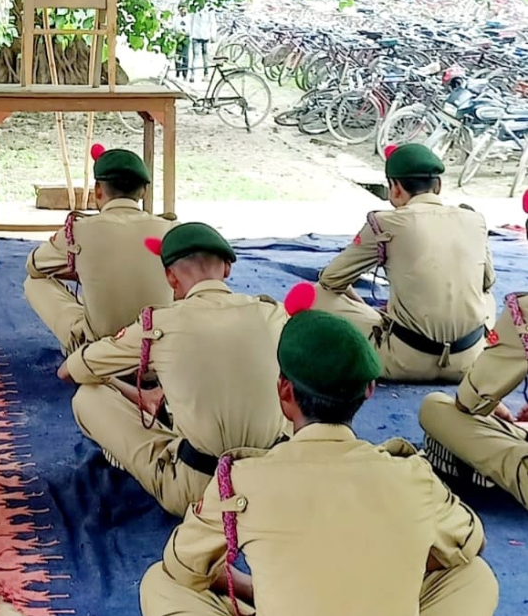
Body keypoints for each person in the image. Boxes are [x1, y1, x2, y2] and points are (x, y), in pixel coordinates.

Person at [139, 304, 499, 616]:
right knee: (474, 576)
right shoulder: (412, 474)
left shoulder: (241, 480)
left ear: (284, 391)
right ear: (369, 391)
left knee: (159, 582)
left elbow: (183, 567)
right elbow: (470, 542)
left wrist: (253, 586)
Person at [59, 222, 287, 517]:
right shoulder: (273, 314)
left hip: (199, 490)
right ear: (228, 269)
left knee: (87, 398)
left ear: (170, 277)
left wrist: (125, 388)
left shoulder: (159, 325)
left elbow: (71, 371)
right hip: (272, 480)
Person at [312, 143, 494, 381]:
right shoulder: (474, 220)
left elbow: (331, 280)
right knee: (487, 297)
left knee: (315, 294)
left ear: (395, 189)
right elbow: (488, 282)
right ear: (438, 185)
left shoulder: (385, 223)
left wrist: (366, 310)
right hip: (469, 362)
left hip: (404, 361)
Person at [24, 146, 174, 354]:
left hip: (99, 356)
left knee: (35, 283)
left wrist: (79, 271)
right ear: (144, 191)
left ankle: (80, 344)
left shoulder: (78, 231)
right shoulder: (171, 230)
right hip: (160, 354)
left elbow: (34, 266)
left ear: (98, 191)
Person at [419, 290, 528, 509]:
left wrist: (492, 403)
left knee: (435, 406)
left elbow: (466, 403)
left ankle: (484, 463)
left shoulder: (523, 308)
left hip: (407, 355)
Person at [187, 5, 217, 82]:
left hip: (205, 36)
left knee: (205, 56)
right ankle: (192, 75)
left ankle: (206, 75)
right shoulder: (194, 8)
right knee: (195, 56)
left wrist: (213, 35)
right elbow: (191, 21)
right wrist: (190, 33)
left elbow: (212, 23)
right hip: (196, 35)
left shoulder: (209, 10)